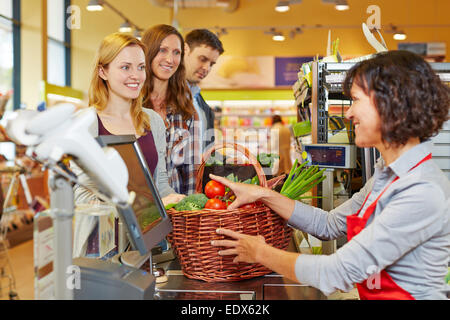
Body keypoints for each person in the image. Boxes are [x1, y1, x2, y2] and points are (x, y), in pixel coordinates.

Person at [210, 50, 450, 300]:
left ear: (393, 102)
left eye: (356, 100)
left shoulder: (421, 190)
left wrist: (260, 252)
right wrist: (263, 194)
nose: (348, 113)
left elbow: (337, 272)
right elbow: (328, 224)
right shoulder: (386, 175)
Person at [72, 33, 184, 257]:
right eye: (125, 67)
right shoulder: (86, 123)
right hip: (102, 245)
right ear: (103, 71)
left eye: (141, 67)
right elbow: (82, 195)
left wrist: (181, 204)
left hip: (149, 241)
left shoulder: (153, 121)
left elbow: (160, 183)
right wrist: (147, 208)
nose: (136, 76)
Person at [141, 24, 201, 195]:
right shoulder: (132, 105)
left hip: (175, 208)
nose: (170, 59)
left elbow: (191, 170)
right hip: (140, 207)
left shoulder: (186, 109)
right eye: (163, 50)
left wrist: (190, 211)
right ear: (148, 52)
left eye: (176, 53)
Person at [184, 29, 224, 153]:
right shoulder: (164, 95)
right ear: (185, 50)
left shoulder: (199, 101)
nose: (206, 68)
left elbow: (206, 151)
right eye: (202, 59)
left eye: (212, 64)